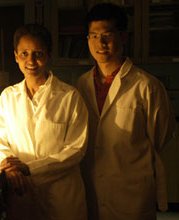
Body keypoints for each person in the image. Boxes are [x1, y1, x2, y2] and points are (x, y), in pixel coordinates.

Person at [76, 3, 177, 220]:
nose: (100, 43)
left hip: (132, 194)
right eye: (93, 36)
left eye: (106, 35)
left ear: (123, 36)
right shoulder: (81, 85)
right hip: (90, 190)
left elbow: (161, 136)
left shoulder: (147, 86)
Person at [0, 23, 88, 220]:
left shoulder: (69, 96)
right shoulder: (8, 97)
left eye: (38, 53)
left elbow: (75, 150)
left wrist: (29, 168)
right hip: (21, 192)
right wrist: (8, 164)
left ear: (49, 55)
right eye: (24, 53)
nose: (30, 60)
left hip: (62, 197)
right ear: (16, 56)